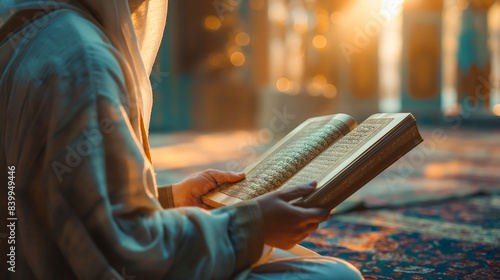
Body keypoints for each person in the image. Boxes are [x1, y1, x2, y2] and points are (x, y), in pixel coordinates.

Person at [0, 1, 364, 279]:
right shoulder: (86, 59)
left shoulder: (33, 26)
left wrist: (172, 200)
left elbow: (58, 200)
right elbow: (124, 251)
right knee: (335, 275)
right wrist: (252, 226)